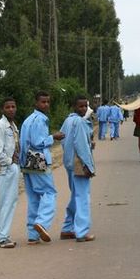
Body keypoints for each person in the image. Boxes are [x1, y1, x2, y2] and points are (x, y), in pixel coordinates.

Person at [19, 91, 65, 244]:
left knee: (33, 198)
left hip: (26, 162)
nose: (46, 105)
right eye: (43, 102)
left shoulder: (27, 120)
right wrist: (54, 137)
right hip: (38, 160)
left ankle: (33, 235)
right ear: (36, 103)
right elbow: (38, 142)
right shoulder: (40, 120)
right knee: (49, 193)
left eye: (48, 102)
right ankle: (42, 222)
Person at [60, 96, 96, 243]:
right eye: (80, 106)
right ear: (74, 106)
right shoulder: (80, 122)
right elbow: (81, 147)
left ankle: (68, 228)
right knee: (82, 197)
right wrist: (89, 166)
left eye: (85, 106)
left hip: (69, 163)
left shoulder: (68, 121)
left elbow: (63, 139)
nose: (83, 109)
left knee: (75, 196)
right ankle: (81, 232)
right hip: (79, 164)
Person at [0, 97, 21, 249]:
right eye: (7, 107)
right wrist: (9, 161)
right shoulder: (0, 127)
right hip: (5, 170)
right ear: (2, 109)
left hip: (11, 169)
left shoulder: (12, 126)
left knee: (3, 203)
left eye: (13, 106)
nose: (11, 109)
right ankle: (3, 237)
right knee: (8, 202)